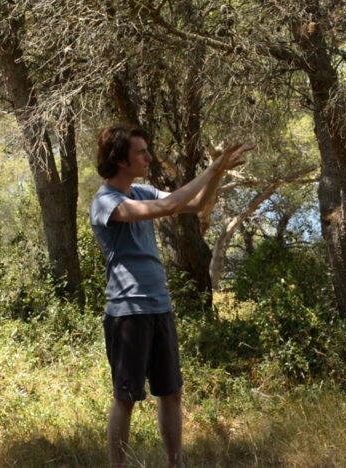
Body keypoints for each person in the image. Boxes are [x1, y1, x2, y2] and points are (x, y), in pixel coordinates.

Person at [89, 124, 253, 467]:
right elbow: (169, 206)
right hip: (128, 312)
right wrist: (212, 167)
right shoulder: (106, 202)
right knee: (126, 398)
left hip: (159, 306)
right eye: (141, 152)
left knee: (172, 392)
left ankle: (175, 464)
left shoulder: (142, 191)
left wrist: (218, 172)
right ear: (120, 160)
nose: (149, 158)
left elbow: (195, 203)